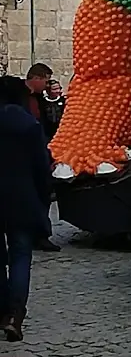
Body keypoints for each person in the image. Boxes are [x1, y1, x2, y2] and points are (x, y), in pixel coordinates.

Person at [0, 76, 52, 341]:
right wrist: (43, 199)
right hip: (21, 198)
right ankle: (15, 314)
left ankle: (1, 309)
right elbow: (41, 167)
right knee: (21, 256)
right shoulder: (28, 125)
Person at [12, 63, 60, 253]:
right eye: (46, 81)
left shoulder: (39, 99)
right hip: (25, 152)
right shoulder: (20, 97)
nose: (47, 86)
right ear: (37, 78)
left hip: (40, 148)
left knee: (44, 193)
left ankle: (40, 234)